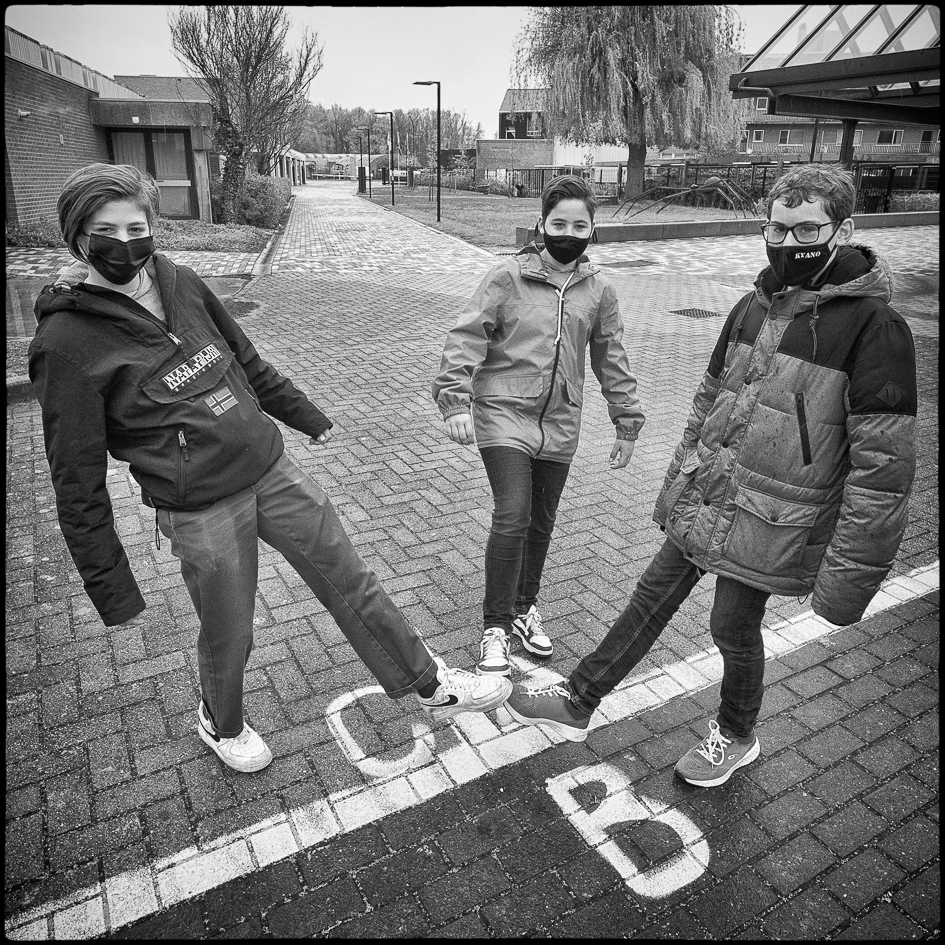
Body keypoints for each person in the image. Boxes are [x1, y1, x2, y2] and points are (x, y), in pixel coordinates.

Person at [29, 163, 512, 775]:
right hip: (200, 506)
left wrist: (306, 416)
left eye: (138, 226)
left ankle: (426, 679)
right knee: (230, 631)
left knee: (349, 578)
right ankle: (221, 722)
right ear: (78, 238)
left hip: (269, 470)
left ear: (154, 227)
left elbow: (244, 360)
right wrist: (111, 587)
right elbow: (76, 480)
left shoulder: (180, 282)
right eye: (107, 230)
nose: (127, 243)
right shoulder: (66, 343)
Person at [504, 163, 917, 787]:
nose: (788, 244)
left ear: (843, 229)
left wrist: (848, 582)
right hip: (714, 492)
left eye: (806, 230)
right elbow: (706, 403)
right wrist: (681, 484)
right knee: (651, 596)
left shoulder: (875, 328)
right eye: (776, 228)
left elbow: (883, 469)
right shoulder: (754, 306)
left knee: (730, 624)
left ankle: (737, 732)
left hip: (774, 516)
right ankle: (580, 699)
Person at [432, 175, 645, 676]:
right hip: (504, 413)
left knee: (541, 524)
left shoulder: (599, 290)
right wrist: (455, 401)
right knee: (513, 515)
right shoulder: (507, 277)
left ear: (593, 231)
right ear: (541, 225)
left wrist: (626, 422)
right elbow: (466, 336)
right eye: (558, 223)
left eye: (579, 224)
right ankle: (496, 627)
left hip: (561, 422)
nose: (568, 232)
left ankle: (526, 607)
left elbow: (611, 356)